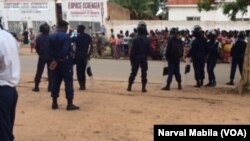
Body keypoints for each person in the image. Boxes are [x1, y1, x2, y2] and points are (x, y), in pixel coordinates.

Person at [48, 20, 79, 110]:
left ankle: (54, 102)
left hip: (54, 63)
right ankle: (69, 103)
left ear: (57, 27)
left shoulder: (51, 37)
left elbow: (49, 51)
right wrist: (58, 60)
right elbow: (65, 51)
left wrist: (54, 60)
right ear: (65, 28)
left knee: (55, 82)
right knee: (68, 83)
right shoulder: (66, 37)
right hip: (65, 63)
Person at [0, 25, 20, 141]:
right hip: (11, 90)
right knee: (6, 129)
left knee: (2, 134)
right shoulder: (8, 36)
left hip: (1, 89)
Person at [127, 21, 150, 92]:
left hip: (136, 57)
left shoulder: (135, 39)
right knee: (144, 73)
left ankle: (129, 87)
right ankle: (143, 88)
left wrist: (131, 60)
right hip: (143, 57)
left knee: (133, 72)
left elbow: (133, 51)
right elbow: (148, 50)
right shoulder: (147, 39)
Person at [32, 22, 52, 92]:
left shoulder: (38, 38)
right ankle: (50, 87)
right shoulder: (51, 37)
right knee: (51, 72)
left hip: (42, 56)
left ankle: (36, 87)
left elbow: (36, 47)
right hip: (50, 57)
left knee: (39, 71)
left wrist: (40, 53)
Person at [75, 25, 93, 90]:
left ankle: (81, 85)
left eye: (77, 28)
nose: (77, 29)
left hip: (78, 56)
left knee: (79, 71)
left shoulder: (77, 37)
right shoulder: (88, 37)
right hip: (85, 56)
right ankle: (83, 85)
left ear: (80, 29)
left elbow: (75, 47)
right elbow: (92, 46)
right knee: (83, 71)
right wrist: (89, 55)